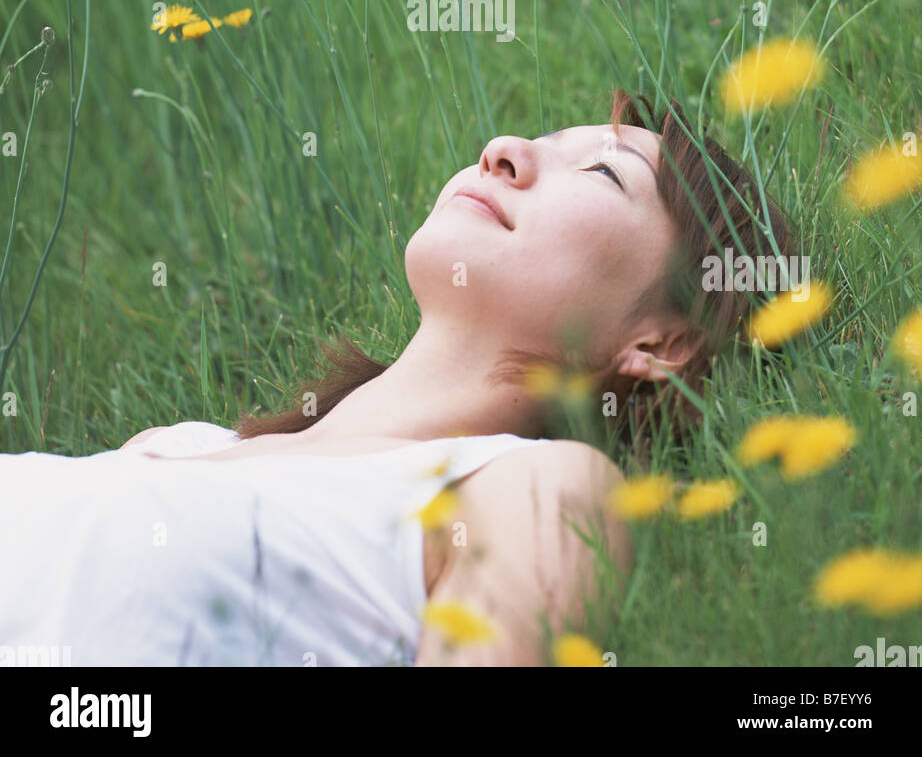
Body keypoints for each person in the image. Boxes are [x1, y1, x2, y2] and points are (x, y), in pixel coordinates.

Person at [0, 88, 790, 668]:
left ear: (663, 341)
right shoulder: (170, 447)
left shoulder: (543, 488)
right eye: (544, 135)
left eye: (603, 174)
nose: (505, 148)